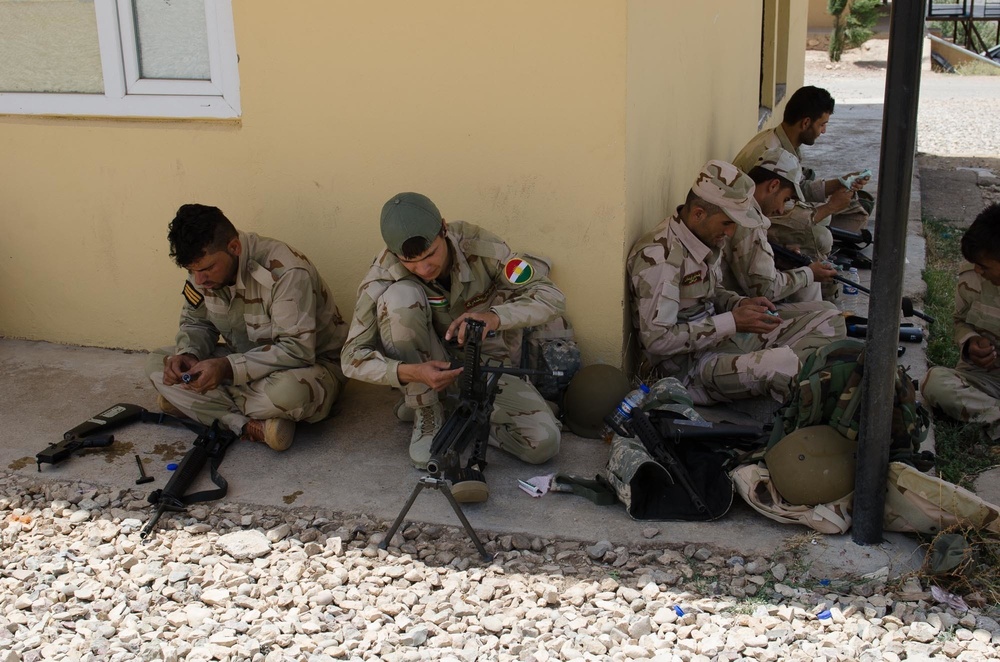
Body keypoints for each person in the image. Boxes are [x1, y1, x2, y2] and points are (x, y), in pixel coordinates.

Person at [341, 192, 564, 473]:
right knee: (399, 297)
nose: (424, 268)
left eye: (431, 254)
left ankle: (461, 416)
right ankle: (426, 408)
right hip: (426, 370)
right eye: (410, 262)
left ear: (444, 229)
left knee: (544, 443)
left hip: (487, 367)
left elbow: (550, 296)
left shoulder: (484, 249)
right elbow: (351, 358)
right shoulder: (382, 274)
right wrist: (411, 373)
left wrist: (494, 318)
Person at [627, 161, 846, 405]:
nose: (730, 234)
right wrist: (731, 321)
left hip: (723, 341)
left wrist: (741, 304)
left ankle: (797, 373)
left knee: (830, 316)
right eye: (727, 223)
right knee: (783, 364)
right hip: (690, 369)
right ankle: (797, 376)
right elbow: (658, 340)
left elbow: (711, 292)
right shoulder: (661, 258)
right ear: (699, 213)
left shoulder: (702, 237)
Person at [145, 204, 348, 451]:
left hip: (309, 366)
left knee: (288, 394)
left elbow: (296, 351)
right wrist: (188, 355)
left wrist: (227, 368)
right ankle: (249, 425)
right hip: (245, 364)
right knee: (156, 363)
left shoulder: (285, 272)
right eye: (192, 271)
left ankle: (197, 405)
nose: (199, 280)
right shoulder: (202, 270)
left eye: (207, 268)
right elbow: (196, 322)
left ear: (234, 247)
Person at [732, 85, 872, 236]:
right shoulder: (772, 152)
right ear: (805, 123)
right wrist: (830, 207)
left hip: (767, 211)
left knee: (857, 206)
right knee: (822, 235)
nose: (823, 131)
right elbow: (778, 211)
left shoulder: (784, 142)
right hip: (750, 223)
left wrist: (841, 182)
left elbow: (799, 186)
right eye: (822, 125)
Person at [921, 203, 1000, 442]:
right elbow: (960, 321)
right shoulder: (971, 278)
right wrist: (970, 342)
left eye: (984, 265)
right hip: (985, 379)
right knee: (933, 383)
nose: (978, 270)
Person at [721, 147, 838, 304]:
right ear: (773, 185)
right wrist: (809, 274)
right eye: (785, 199)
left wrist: (779, 259)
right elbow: (765, 290)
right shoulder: (748, 219)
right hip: (736, 305)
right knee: (829, 315)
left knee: (803, 269)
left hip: (736, 299)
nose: (781, 210)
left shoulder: (743, 204)